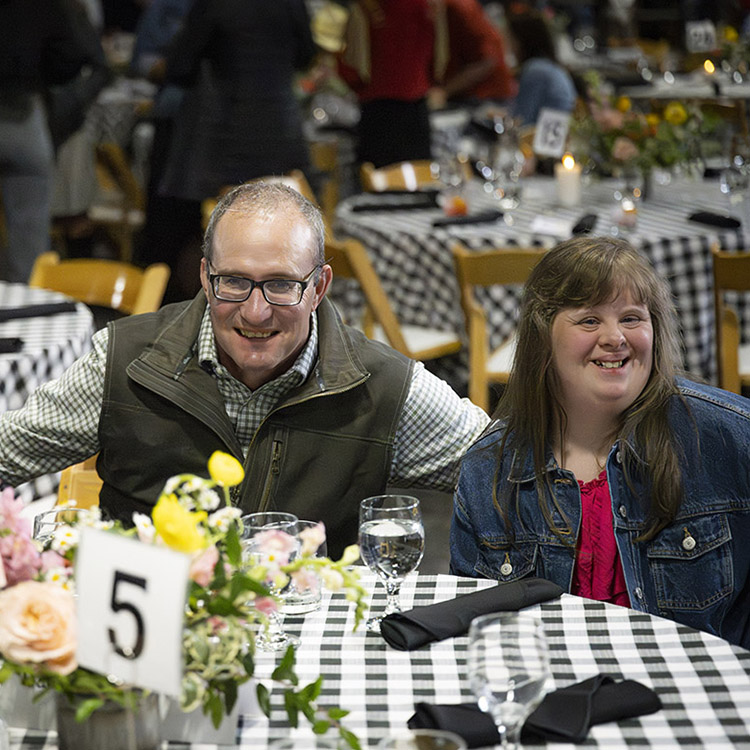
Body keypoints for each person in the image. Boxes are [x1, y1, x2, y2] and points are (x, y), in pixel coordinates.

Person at [0, 182, 489, 557]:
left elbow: (516, 470)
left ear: (319, 288)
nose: (255, 313)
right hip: (150, 650)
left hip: (309, 654)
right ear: (205, 278)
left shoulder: (383, 387)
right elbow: (8, 453)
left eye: (280, 285)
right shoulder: (125, 361)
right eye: (233, 282)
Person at [450, 236, 750, 649]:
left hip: (696, 697)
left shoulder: (730, 439)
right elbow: (470, 627)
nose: (615, 338)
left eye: (631, 318)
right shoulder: (489, 468)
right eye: (589, 320)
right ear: (543, 338)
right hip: (554, 695)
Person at [0, 0, 96, 282]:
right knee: (30, 239)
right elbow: (72, 55)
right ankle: (25, 314)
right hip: (24, 114)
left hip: (24, 111)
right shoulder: (45, 5)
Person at [338, 0, 448, 168]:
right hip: (416, 110)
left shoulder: (367, 7)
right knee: (420, 180)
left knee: (379, 184)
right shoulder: (430, 5)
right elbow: (440, 62)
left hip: (378, 113)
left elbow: (352, 68)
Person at [427, 0, 516, 109]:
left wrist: (443, 91)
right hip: (461, 95)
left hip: (485, 96)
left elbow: (488, 61)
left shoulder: (459, 7)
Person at [505, 8, 577, 127]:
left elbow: (521, 121)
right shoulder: (546, 66)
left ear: (522, 41)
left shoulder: (535, 70)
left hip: (548, 140)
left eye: (511, 40)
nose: (509, 48)